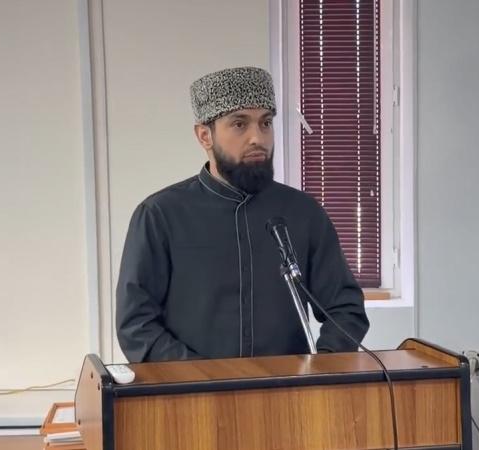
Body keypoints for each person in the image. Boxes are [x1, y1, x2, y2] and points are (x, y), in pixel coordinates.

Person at [116, 66, 369, 362]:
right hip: (192, 389)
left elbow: (345, 309)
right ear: (205, 136)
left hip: (289, 388)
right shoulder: (160, 216)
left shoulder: (303, 213)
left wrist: (321, 367)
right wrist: (202, 377)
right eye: (239, 124)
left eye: (265, 123)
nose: (257, 138)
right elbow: (137, 326)